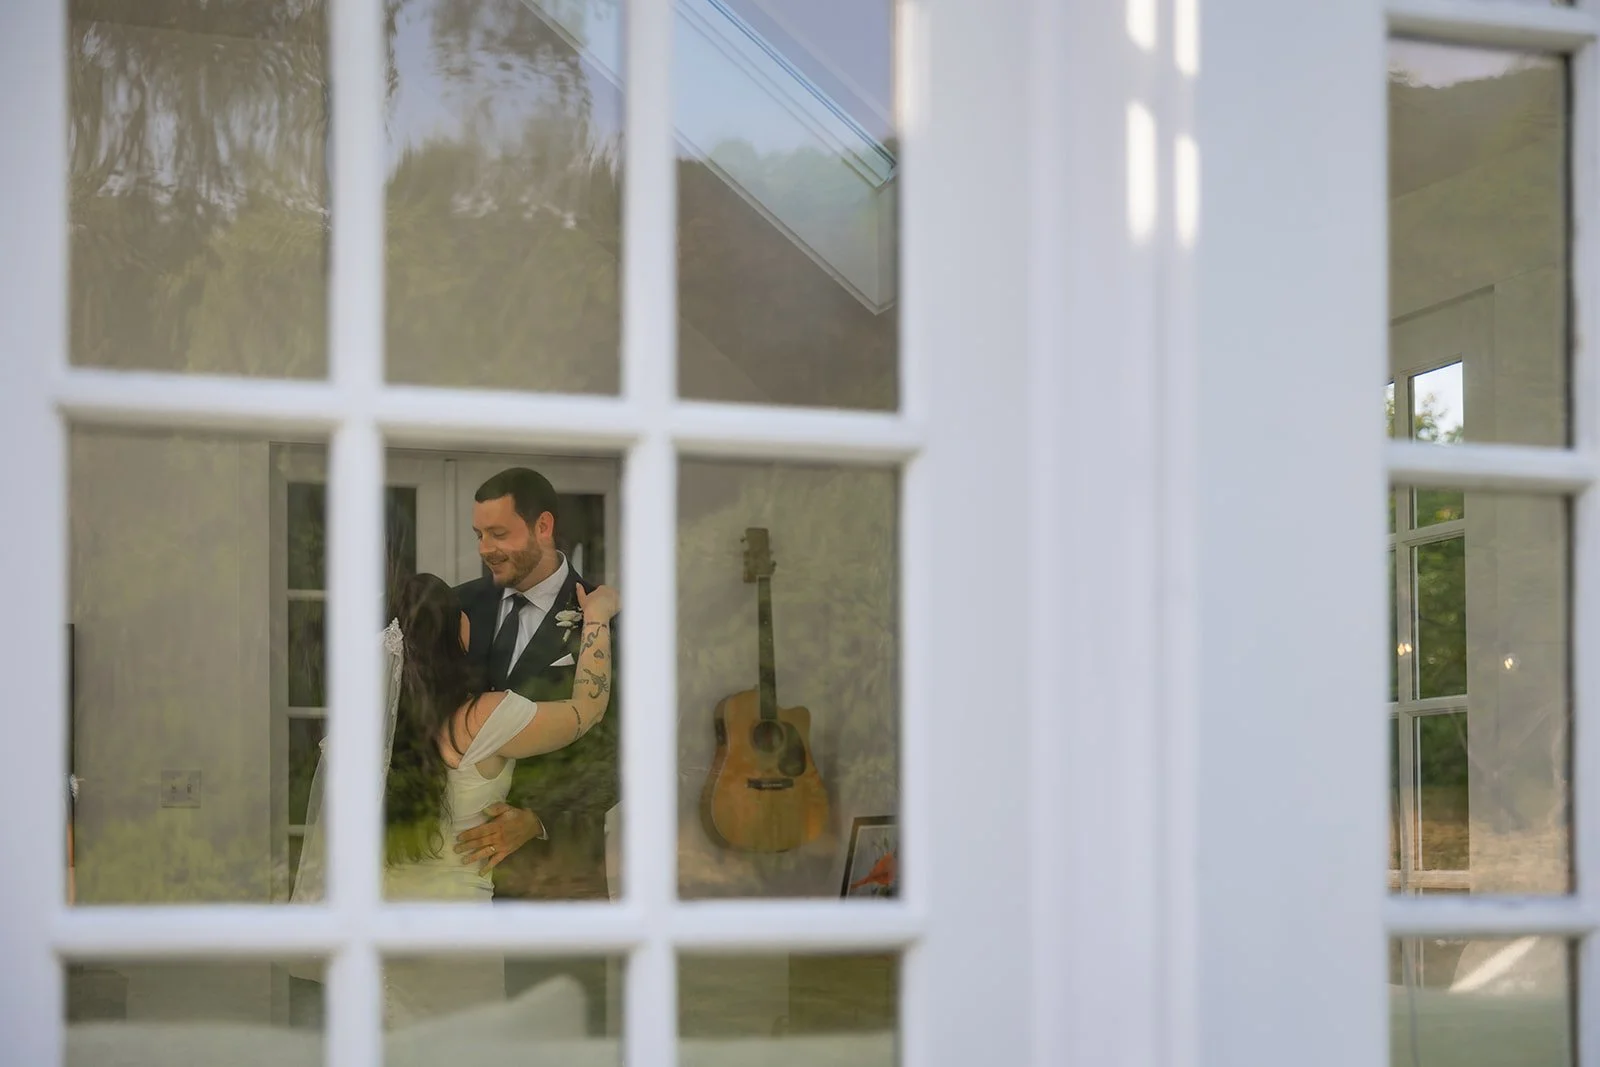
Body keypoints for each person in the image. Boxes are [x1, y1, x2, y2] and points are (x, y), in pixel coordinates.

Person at [292, 571, 619, 1027]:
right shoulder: (483, 718)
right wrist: (599, 617)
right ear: (458, 633)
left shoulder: (364, 735)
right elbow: (589, 710)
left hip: (380, 928)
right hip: (456, 934)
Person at [450, 468, 620, 1027]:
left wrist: (538, 818)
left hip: (558, 875)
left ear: (542, 526)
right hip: (457, 870)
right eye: (478, 535)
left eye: (498, 534)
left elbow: (628, 751)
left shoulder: (612, 621)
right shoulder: (459, 607)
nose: (485, 550)